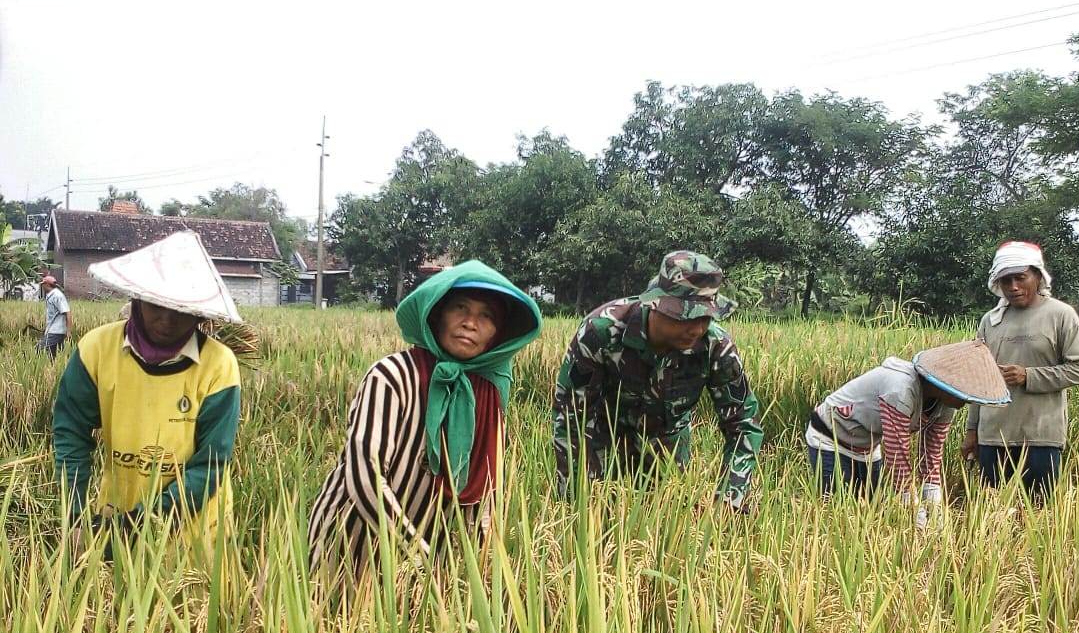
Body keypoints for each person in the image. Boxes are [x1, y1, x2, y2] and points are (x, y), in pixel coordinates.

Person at [308, 261, 542, 567]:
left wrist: (485, 570)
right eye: (460, 308)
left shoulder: (489, 393)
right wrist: (418, 552)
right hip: (350, 544)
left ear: (497, 334)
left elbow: (485, 487)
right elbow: (365, 477)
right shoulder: (391, 377)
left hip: (426, 554)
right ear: (436, 314)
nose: (471, 323)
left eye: (487, 316)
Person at [52, 231, 243, 542]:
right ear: (137, 299)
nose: (166, 320)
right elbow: (71, 432)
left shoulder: (219, 366)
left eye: (180, 310)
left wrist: (137, 524)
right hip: (116, 511)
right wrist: (73, 515)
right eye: (156, 305)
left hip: (192, 529)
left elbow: (210, 466)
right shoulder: (96, 350)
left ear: (198, 314)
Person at [552, 250, 763, 513]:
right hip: (602, 448)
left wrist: (730, 497)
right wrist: (579, 498)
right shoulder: (601, 333)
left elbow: (743, 424)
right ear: (656, 304)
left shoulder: (715, 347)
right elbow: (572, 419)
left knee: (665, 536)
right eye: (685, 316)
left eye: (705, 318)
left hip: (667, 455)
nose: (696, 329)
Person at [805, 340, 1010, 525]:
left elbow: (931, 454)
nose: (965, 402)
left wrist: (935, 510)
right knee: (835, 511)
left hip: (867, 446)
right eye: (964, 393)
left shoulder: (947, 404)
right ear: (946, 384)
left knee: (869, 511)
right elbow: (897, 456)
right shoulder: (900, 389)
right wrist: (916, 515)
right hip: (830, 438)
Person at [959, 242, 1079, 498]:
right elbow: (980, 378)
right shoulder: (991, 320)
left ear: (1038, 276)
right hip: (993, 437)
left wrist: (1028, 376)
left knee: (1038, 515)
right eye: (1006, 281)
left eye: (1020, 278)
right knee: (993, 515)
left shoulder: (1061, 315)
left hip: (1041, 436)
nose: (1013, 287)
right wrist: (972, 431)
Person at [39, 274, 71, 357]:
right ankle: (55, 368)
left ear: (47, 285)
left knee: (38, 350)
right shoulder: (51, 295)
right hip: (52, 329)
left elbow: (67, 312)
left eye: (43, 284)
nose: (42, 286)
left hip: (56, 331)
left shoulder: (57, 296)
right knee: (53, 355)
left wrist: (68, 331)